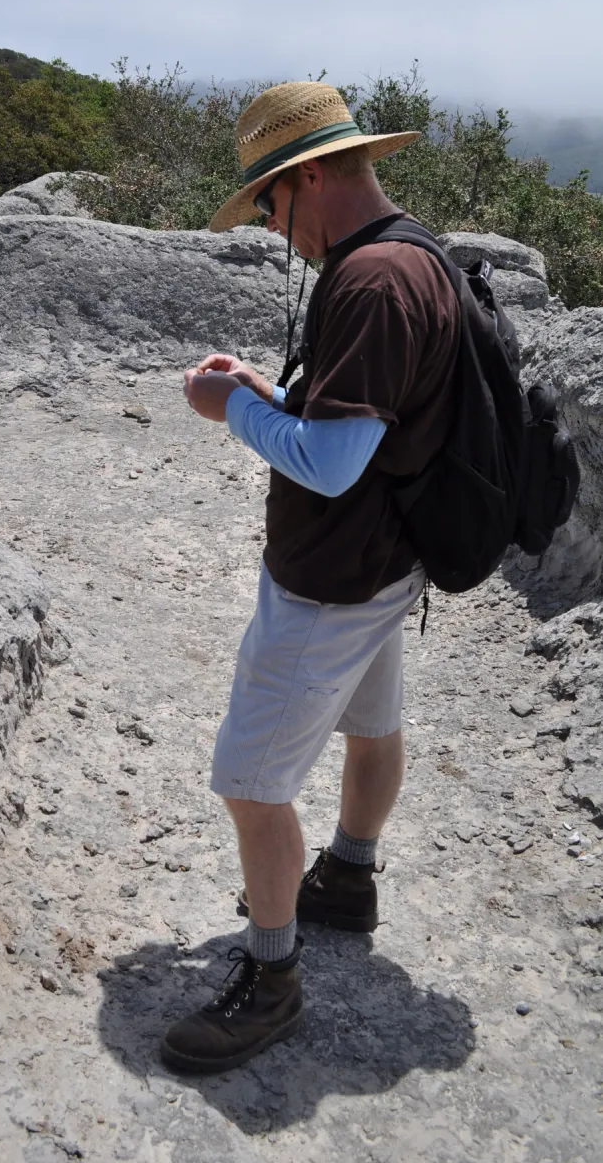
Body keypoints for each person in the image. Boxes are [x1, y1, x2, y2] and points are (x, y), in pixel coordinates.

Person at [162, 81, 461, 1074]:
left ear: (314, 176)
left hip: (331, 578)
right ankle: (350, 875)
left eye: (268, 203)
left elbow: (332, 462)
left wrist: (225, 407)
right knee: (374, 725)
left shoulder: (370, 284)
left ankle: (272, 979)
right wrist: (265, 387)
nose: (268, 226)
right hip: (386, 565)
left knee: (250, 779)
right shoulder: (412, 252)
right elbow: (357, 413)